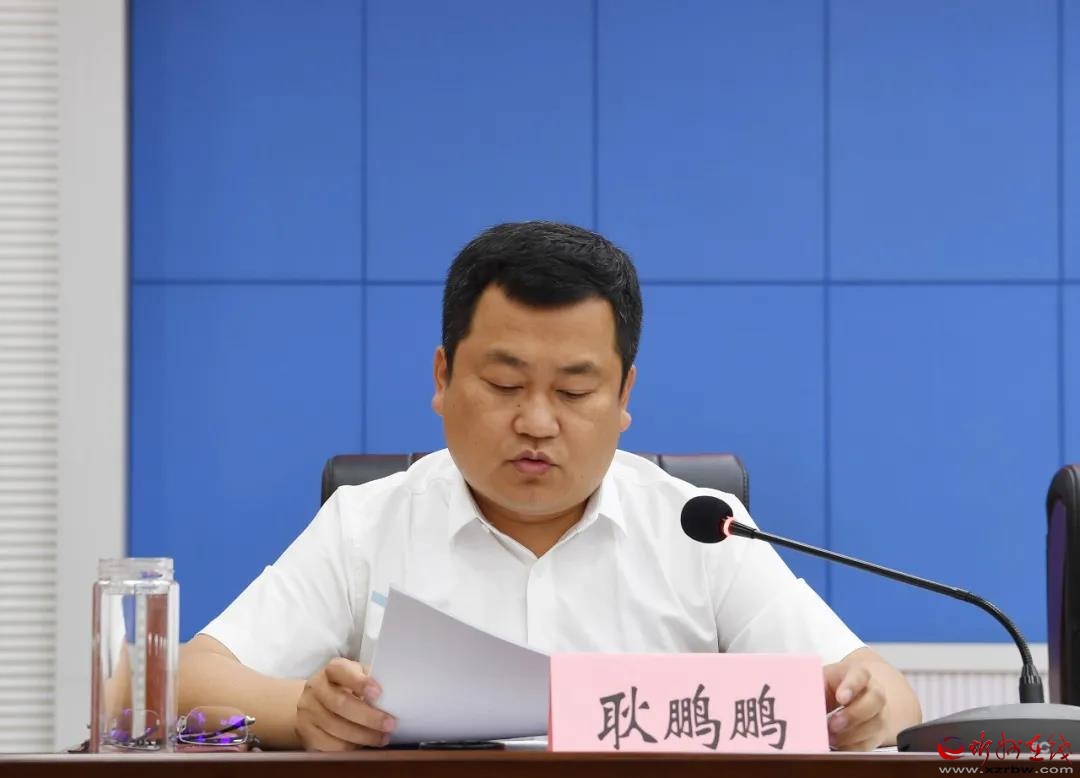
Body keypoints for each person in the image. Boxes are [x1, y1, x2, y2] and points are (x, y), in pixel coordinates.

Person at [179, 221, 921, 751]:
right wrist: (301, 711)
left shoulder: (703, 528)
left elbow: (887, 693)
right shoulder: (367, 523)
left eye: (573, 391)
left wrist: (862, 708)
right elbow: (177, 684)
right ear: (443, 377)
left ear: (624, 395)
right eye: (505, 384)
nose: (536, 422)